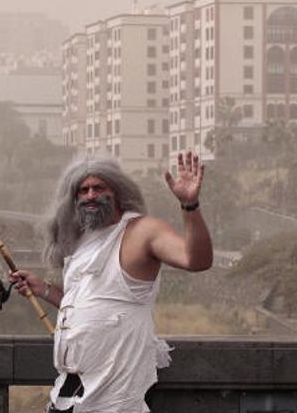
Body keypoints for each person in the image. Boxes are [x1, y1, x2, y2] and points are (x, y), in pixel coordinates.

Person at [11, 152, 212, 413]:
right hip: (69, 389)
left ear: (117, 191)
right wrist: (45, 290)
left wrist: (190, 205)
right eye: (83, 190)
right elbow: (90, 308)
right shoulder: (83, 241)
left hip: (117, 393)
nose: (90, 195)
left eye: (98, 187)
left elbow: (196, 260)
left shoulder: (142, 231)